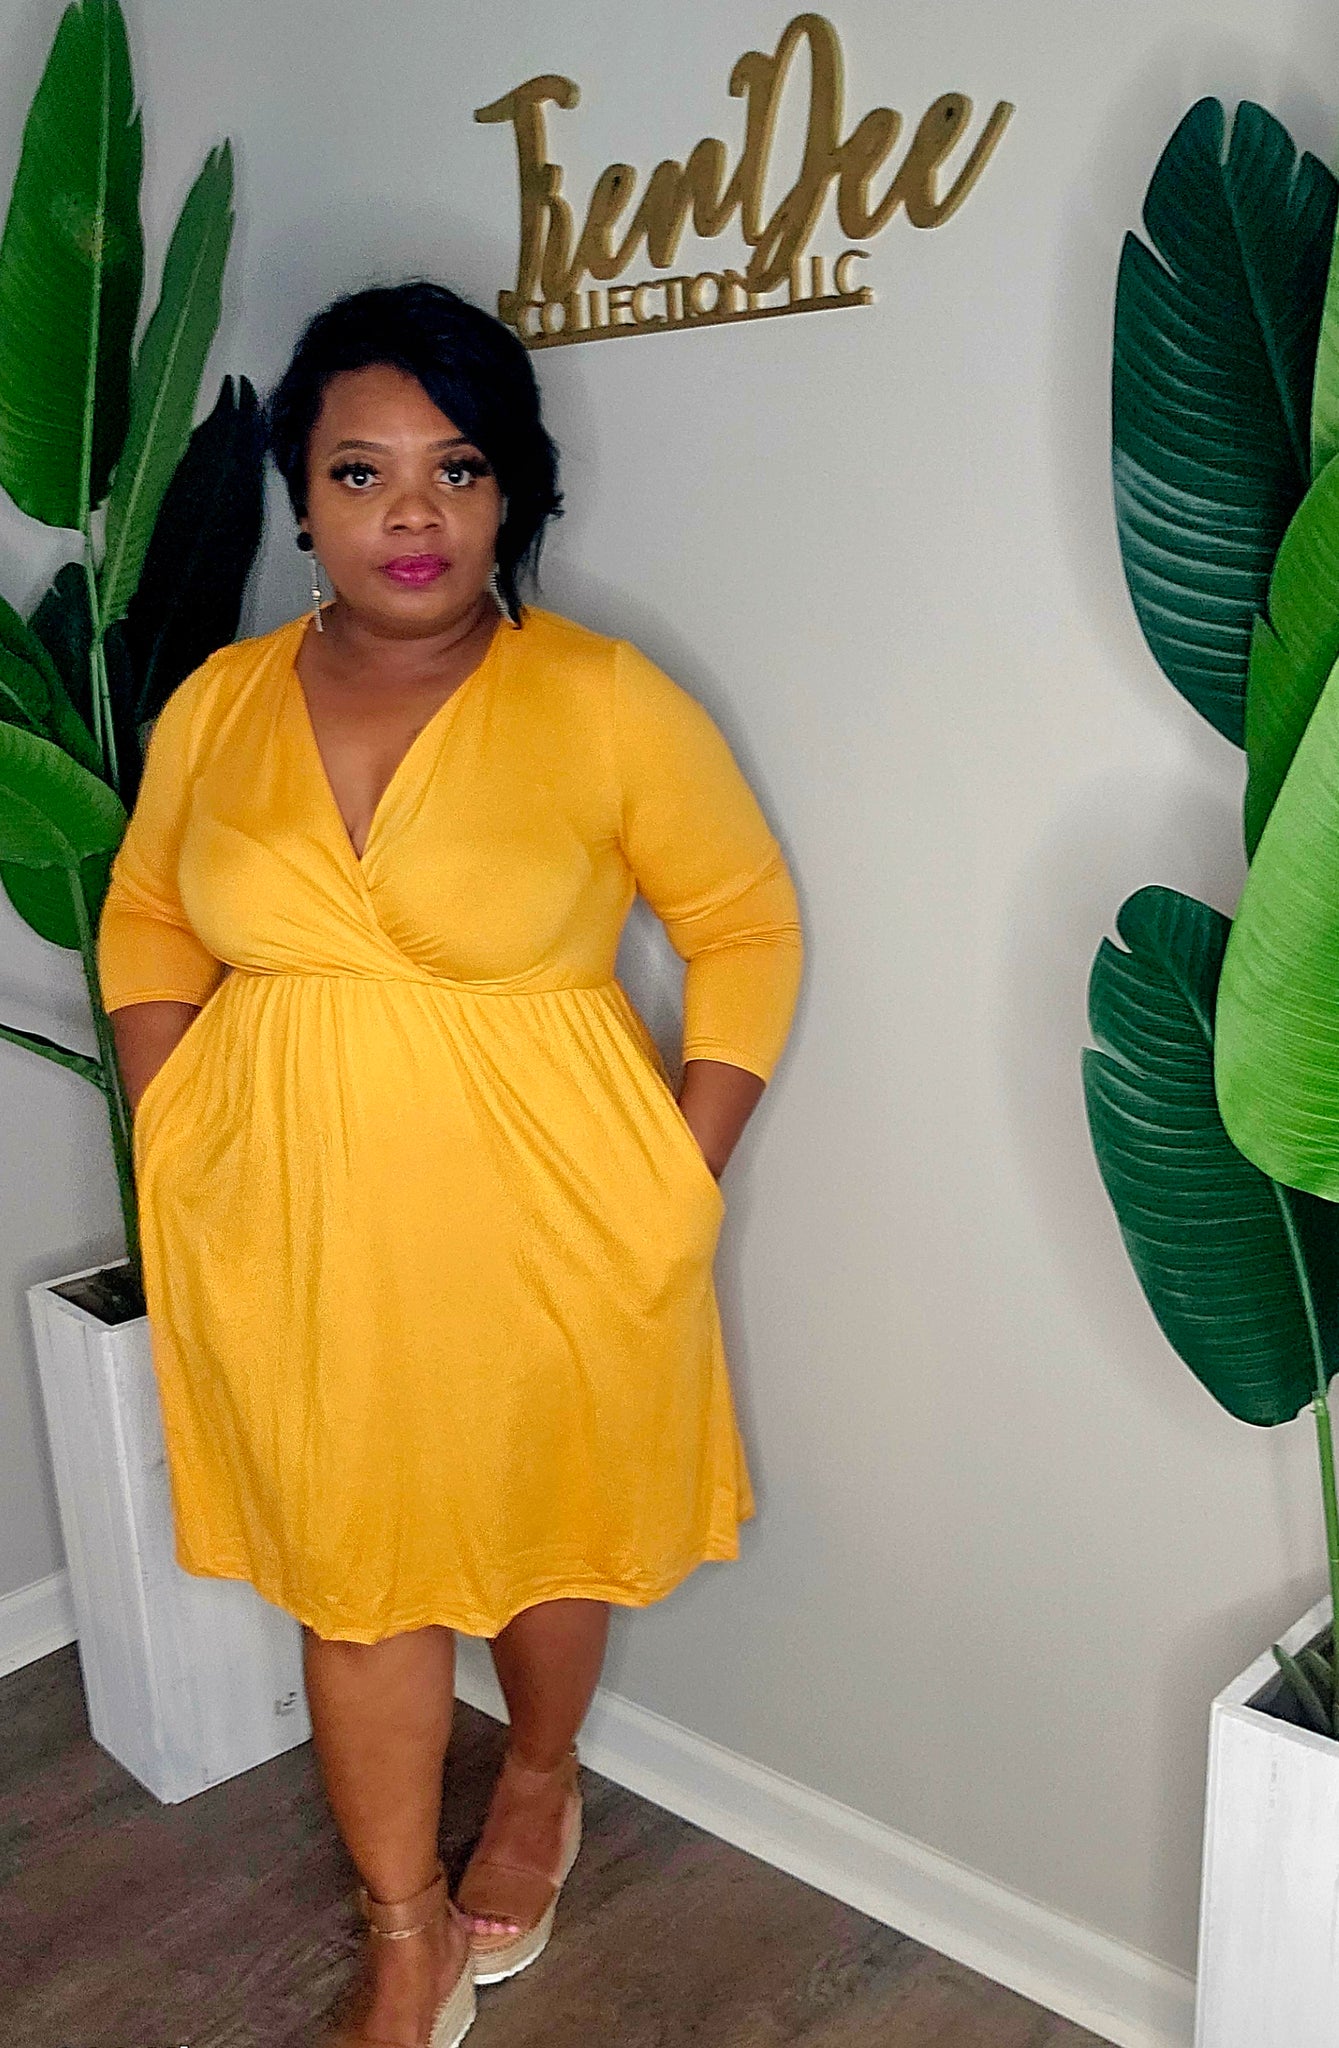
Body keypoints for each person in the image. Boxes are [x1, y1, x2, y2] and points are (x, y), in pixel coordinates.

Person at [96, 280, 803, 2048]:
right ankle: (403, 1930)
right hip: (295, 1217)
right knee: (357, 1578)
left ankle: (539, 1781)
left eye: (457, 467)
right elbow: (150, 913)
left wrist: (684, 1171)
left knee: (550, 1531)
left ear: (512, 494)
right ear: (303, 497)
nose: (409, 512)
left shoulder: (603, 698)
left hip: (558, 1207)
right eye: (361, 471)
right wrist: (175, 1113)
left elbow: (746, 926)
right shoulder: (221, 704)